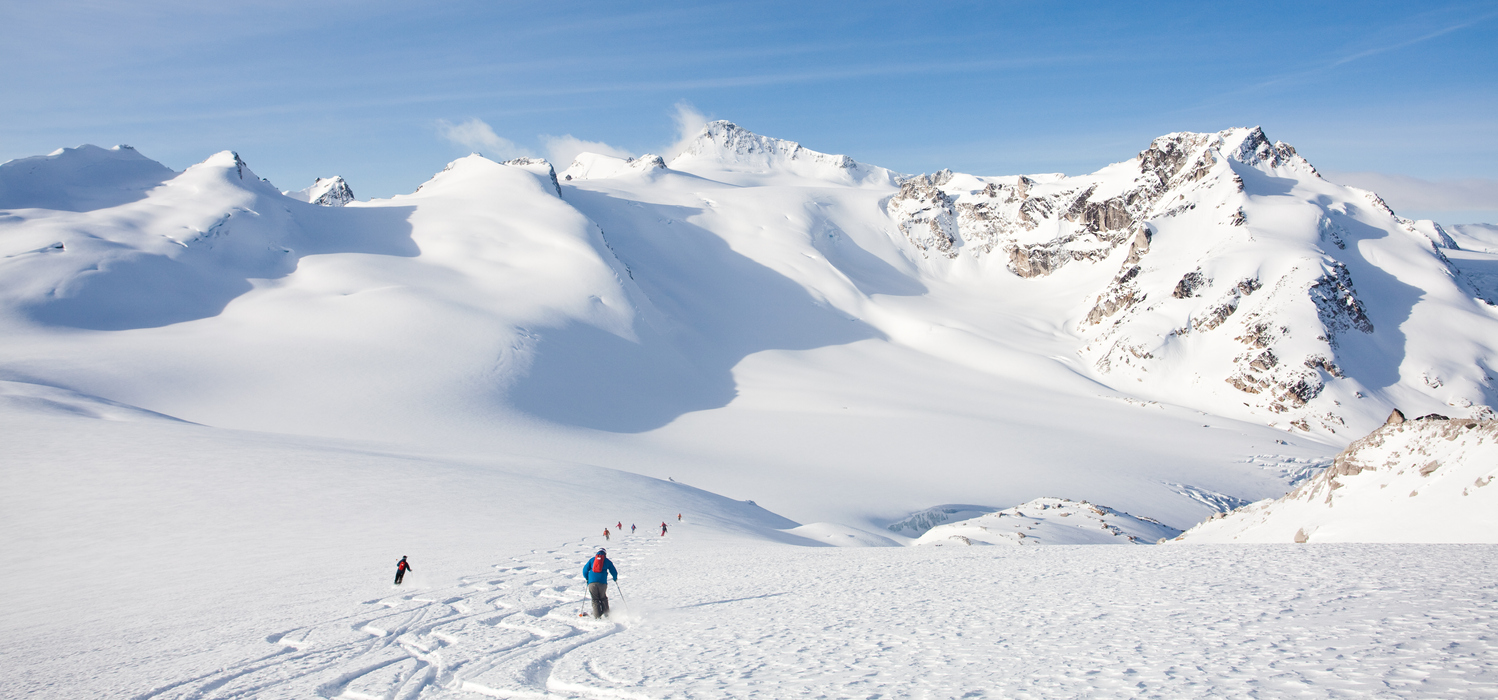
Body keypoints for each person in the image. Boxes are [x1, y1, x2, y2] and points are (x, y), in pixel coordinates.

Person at [583, 549, 618, 618]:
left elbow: (585, 570)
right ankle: (607, 614)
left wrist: (587, 579)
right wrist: (615, 578)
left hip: (592, 583)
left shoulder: (592, 560)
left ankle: (597, 616)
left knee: (595, 599)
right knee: (603, 598)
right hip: (602, 583)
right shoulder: (607, 561)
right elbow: (613, 571)